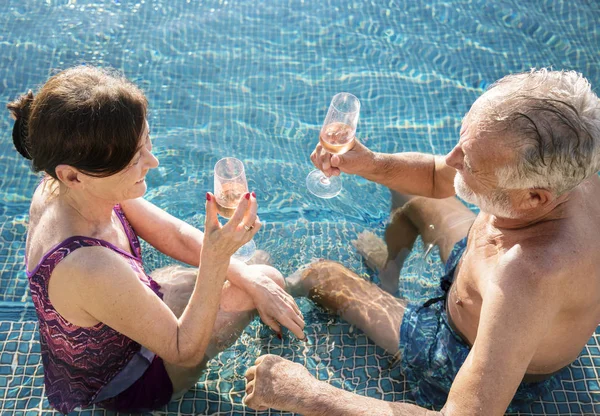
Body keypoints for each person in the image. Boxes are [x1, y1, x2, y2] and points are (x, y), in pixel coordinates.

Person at [243, 69, 600, 415]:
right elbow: (432, 175)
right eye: (462, 141)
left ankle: (275, 285)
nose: (451, 159)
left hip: (463, 350)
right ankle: (388, 276)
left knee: (321, 276)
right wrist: (369, 163)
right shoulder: (566, 172)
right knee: (407, 187)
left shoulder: (527, 277)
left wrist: (305, 394)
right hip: (478, 273)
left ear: (533, 198)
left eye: (470, 164)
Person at [8, 65, 306, 414]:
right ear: (73, 175)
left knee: (258, 274)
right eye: (134, 159)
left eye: (146, 142)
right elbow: (183, 349)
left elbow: (174, 235)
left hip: (117, 321)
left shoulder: (68, 187)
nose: (153, 161)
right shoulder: (86, 265)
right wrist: (218, 258)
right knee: (266, 277)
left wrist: (243, 273)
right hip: (128, 383)